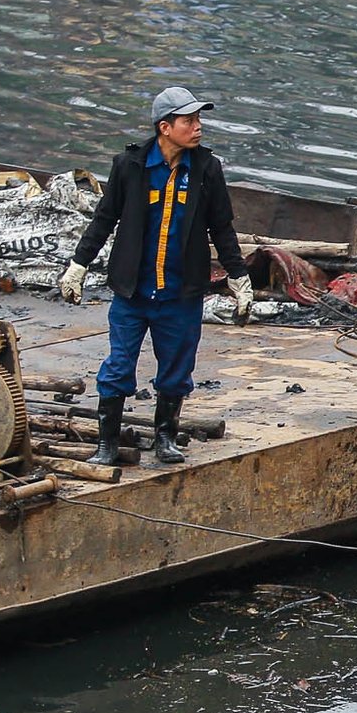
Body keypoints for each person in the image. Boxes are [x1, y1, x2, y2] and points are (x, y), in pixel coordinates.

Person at [59, 87, 253, 467]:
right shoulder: (128, 166)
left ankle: (165, 436)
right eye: (189, 121)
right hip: (133, 292)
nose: (198, 128)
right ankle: (108, 443)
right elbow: (103, 220)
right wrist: (78, 266)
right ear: (165, 127)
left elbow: (222, 229)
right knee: (118, 366)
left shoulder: (206, 169)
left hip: (181, 293)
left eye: (198, 120)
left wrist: (239, 278)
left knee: (177, 369)